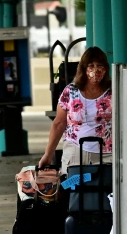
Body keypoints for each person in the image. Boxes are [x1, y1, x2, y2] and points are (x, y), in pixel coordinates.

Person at [39, 46, 113, 174]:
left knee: (106, 190)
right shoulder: (71, 91)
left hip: (108, 156)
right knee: (71, 187)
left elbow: (126, 118)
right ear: (84, 69)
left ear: (106, 68)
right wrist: (48, 154)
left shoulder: (113, 90)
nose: (95, 70)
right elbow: (59, 123)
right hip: (75, 153)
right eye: (91, 65)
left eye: (99, 65)